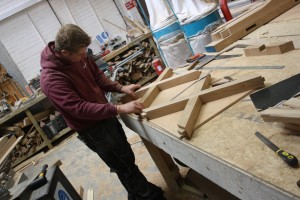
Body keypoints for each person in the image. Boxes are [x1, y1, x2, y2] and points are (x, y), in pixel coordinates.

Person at [40, 24, 166, 200]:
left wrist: (120, 87)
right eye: (80, 53)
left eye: (86, 50)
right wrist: (119, 108)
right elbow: (79, 109)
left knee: (125, 159)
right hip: (92, 129)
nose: (85, 56)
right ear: (65, 53)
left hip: (105, 116)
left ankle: (135, 195)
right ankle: (149, 196)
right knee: (124, 166)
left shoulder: (80, 55)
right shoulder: (51, 79)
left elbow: (97, 75)